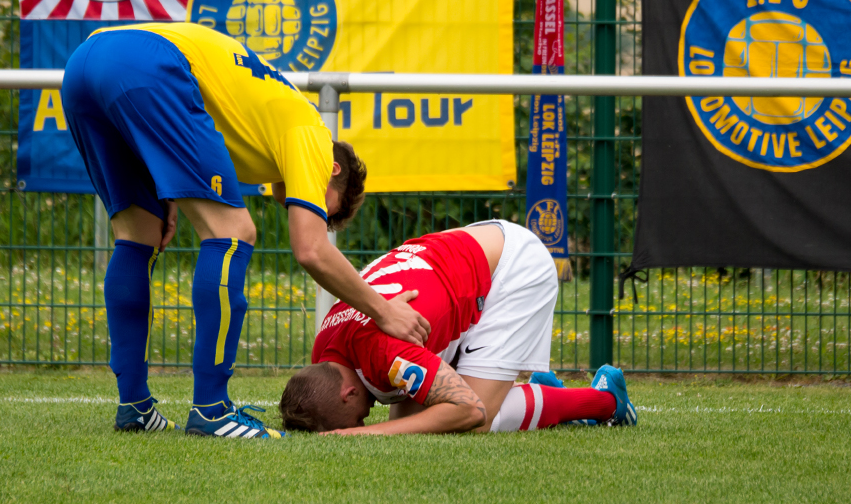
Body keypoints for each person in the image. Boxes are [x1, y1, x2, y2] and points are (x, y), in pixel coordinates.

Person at [61, 22, 430, 439]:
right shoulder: (313, 134)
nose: (310, 208)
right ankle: (213, 411)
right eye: (326, 209)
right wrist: (383, 309)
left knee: (137, 235)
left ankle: (135, 407)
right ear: (333, 170)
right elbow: (310, 249)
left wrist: (167, 196)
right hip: (148, 62)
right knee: (234, 232)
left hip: (85, 64)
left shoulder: (260, 133)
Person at [279, 220, 637, 434]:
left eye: (353, 421)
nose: (362, 421)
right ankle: (534, 390)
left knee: (473, 420)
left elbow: (469, 409)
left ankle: (606, 400)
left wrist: (367, 435)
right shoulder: (325, 349)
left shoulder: (387, 354)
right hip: (467, 248)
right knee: (421, 418)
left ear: (347, 394)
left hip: (511, 267)